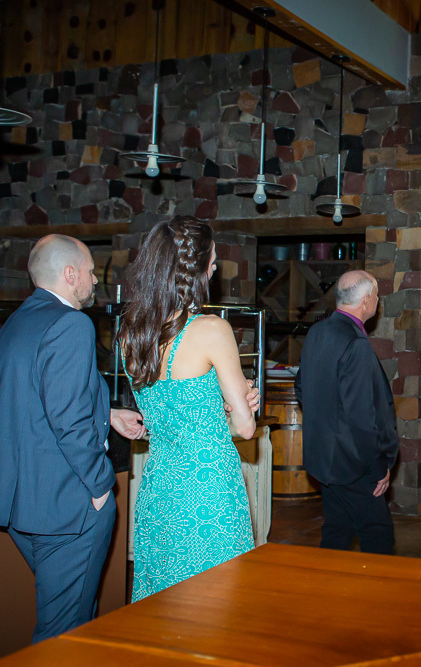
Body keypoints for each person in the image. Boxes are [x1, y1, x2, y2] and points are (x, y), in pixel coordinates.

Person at [0, 234, 147, 642]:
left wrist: (107, 413)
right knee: (65, 632)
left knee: (68, 616)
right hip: (65, 508)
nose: (94, 280)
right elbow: (69, 422)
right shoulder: (72, 323)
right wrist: (101, 488)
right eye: (89, 272)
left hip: (22, 506)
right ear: (69, 274)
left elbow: (32, 395)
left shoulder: (19, 320)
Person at [118, 218, 258, 601]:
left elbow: (168, 416)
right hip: (209, 489)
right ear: (194, 270)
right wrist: (237, 406)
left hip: (159, 488)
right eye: (211, 263)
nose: (213, 272)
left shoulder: (131, 334)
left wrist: (218, 405)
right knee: (216, 601)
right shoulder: (212, 329)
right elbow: (245, 428)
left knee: (164, 603)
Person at [295, 270, 398, 554]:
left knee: (337, 533)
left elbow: (301, 387)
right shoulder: (356, 342)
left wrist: (328, 425)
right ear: (366, 300)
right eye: (377, 296)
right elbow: (362, 418)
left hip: (324, 460)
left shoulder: (317, 331)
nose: (377, 301)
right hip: (355, 465)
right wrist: (378, 467)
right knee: (378, 539)